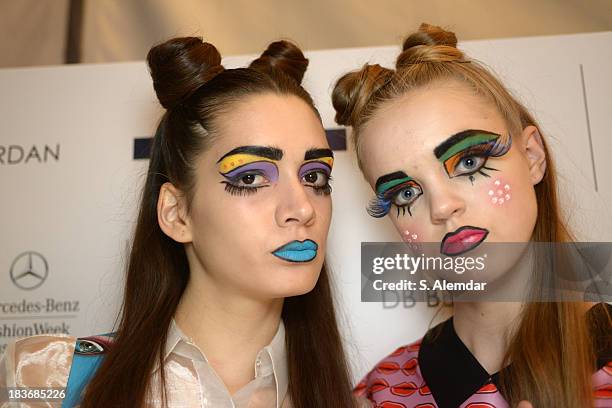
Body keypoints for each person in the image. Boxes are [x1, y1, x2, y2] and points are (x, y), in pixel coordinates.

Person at [0, 37, 359, 408]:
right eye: (251, 178)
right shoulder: (45, 377)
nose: (302, 208)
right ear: (176, 212)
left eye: (315, 177)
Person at [332, 23, 611, 408]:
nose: (442, 206)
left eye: (467, 161)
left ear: (532, 157)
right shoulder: (380, 393)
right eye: (406, 193)